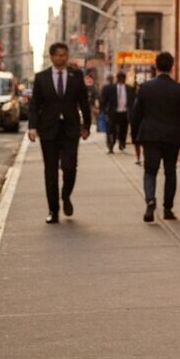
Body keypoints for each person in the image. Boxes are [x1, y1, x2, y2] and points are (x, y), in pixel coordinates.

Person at [28, 42, 91, 224]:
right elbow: (35, 104)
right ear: (51, 57)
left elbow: (83, 102)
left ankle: (66, 195)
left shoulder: (76, 75)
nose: (61, 58)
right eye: (58, 55)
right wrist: (32, 126)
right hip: (48, 130)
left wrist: (86, 125)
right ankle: (53, 210)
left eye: (64, 55)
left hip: (70, 129)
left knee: (70, 167)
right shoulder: (41, 78)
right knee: (50, 171)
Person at [130, 51, 180, 223]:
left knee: (150, 170)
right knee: (170, 172)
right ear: (172, 66)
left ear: (156, 66)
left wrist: (135, 136)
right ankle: (167, 208)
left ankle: (150, 200)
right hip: (172, 137)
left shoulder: (145, 88)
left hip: (150, 136)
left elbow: (136, 114)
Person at [100, 71, 135, 153]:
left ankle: (122, 143)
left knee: (123, 129)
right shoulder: (109, 88)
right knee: (111, 130)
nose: (121, 79)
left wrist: (132, 112)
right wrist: (104, 111)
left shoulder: (129, 89)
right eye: (119, 77)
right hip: (113, 113)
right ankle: (110, 146)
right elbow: (103, 100)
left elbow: (132, 101)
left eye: (123, 77)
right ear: (117, 78)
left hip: (124, 112)